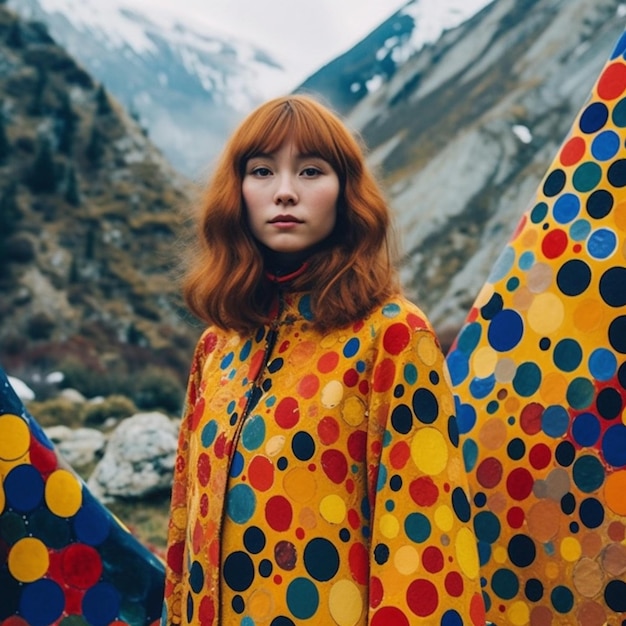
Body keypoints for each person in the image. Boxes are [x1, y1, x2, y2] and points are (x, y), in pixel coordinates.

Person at [163, 94, 485, 626]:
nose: (285, 191)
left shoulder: (393, 336)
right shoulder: (218, 346)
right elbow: (182, 526)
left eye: (311, 170)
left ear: (345, 193)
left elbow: (425, 541)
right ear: (237, 192)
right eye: (262, 170)